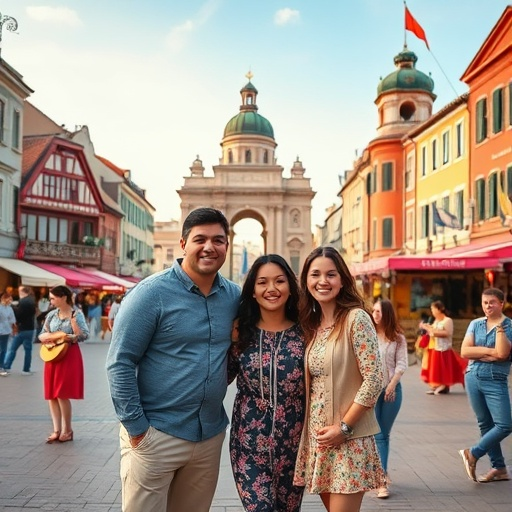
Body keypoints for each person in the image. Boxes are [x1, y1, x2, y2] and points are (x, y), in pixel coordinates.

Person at [106, 207, 241, 512]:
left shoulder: (234, 297)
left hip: (208, 435)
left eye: (218, 240)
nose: (210, 247)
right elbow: (120, 362)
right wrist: (137, 429)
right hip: (156, 432)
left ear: (227, 246)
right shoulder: (150, 294)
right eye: (200, 239)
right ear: (183, 244)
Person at [293, 246, 385, 512]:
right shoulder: (312, 325)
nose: (323, 281)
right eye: (315, 274)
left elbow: (374, 379)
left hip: (348, 438)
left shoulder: (356, 318)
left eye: (331, 274)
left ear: (342, 279)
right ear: (306, 281)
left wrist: (343, 428)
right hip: (320, 439)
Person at [229, 254, 305, 511]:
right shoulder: (239, 332)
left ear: (290, 288)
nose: (271, 289)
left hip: (294, 447)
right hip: (248, 444)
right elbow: (219, 377)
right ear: (252, 291)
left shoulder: (306, 334)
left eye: (279, 281)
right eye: (262, 282)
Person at [459, 287, 512, 483]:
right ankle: (498, 468)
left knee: (505, 425)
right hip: (473, 377)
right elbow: (464, 351)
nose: (487, 306)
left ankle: (473, 453)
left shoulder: (509, 327)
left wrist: (482, 352)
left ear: (501, 303)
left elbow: (502, 354)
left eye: (492, 302)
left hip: (496, 380)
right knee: (486, 424)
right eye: (484, 303)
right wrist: (489, 352)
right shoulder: (476, 323)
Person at [39, 285, 89, 443]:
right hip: (52, 355)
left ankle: (67, 430)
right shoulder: (52, 315)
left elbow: (84, 335)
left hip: (69, 355)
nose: (51, 301)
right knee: (51, 395)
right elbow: (41, 333)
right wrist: (49, 338)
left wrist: (71, 332)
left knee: (62, 393)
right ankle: (56, 430)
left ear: (63, 298)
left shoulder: (76, 314)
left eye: (53, 298)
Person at [371, 298, 408, 499]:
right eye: (373, 311)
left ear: (387, 313)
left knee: (383, 435)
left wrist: (392, 385)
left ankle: (381, 475)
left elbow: (402, 364)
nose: (375, 314)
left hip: (392, 391)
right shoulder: (367, 335)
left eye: (378, 311)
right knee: (377, 435)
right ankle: (381, 478)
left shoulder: (398, 338)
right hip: (371, 392)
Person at [419, 301, 466, 395]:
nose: (432, 311)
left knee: (443, 368)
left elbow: (448, 333)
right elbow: (433, 330)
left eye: (433, 309)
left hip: (444, 348)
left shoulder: (447, 320)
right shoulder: (436, 320)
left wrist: (431, 330)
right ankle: (437, 385)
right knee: (436, 368)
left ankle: (443, 384)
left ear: (439, 309)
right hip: (435, 347)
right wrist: (427, 328)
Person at [2, 286, 37, 375]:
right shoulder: (32, 300)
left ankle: (6, 367)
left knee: (12, 349)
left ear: (23, 292)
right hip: (30, 328)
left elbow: (18, 315)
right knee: (28, 350)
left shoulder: (23, 301)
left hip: (22, 328)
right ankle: (26, 369)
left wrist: (12, 308)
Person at [0, 292, 17, 373]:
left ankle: (1, 366)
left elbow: (12, 319)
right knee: (2, 349)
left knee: (3, 349)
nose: (10, 300)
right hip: (2, 329)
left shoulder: (9, 308)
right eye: (8, 298)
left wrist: (13, 328)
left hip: (6, 331)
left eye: (10, 299)